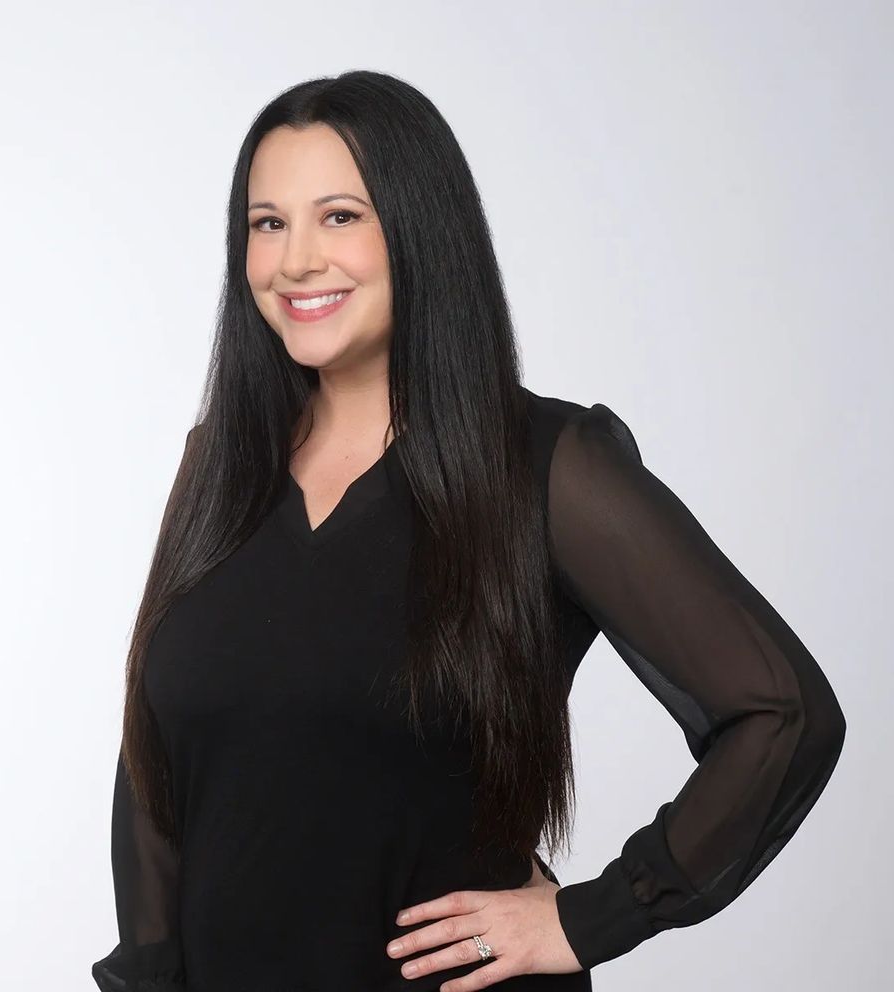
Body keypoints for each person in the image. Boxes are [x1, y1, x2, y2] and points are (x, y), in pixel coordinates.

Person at [90, 70, 847, 992]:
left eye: (339, 217)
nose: (295, 261)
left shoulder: (548, 466)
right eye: (268, 223)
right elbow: (155, 765)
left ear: (420, 229)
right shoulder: (220, 462)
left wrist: (593, 918)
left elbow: (782, 713)